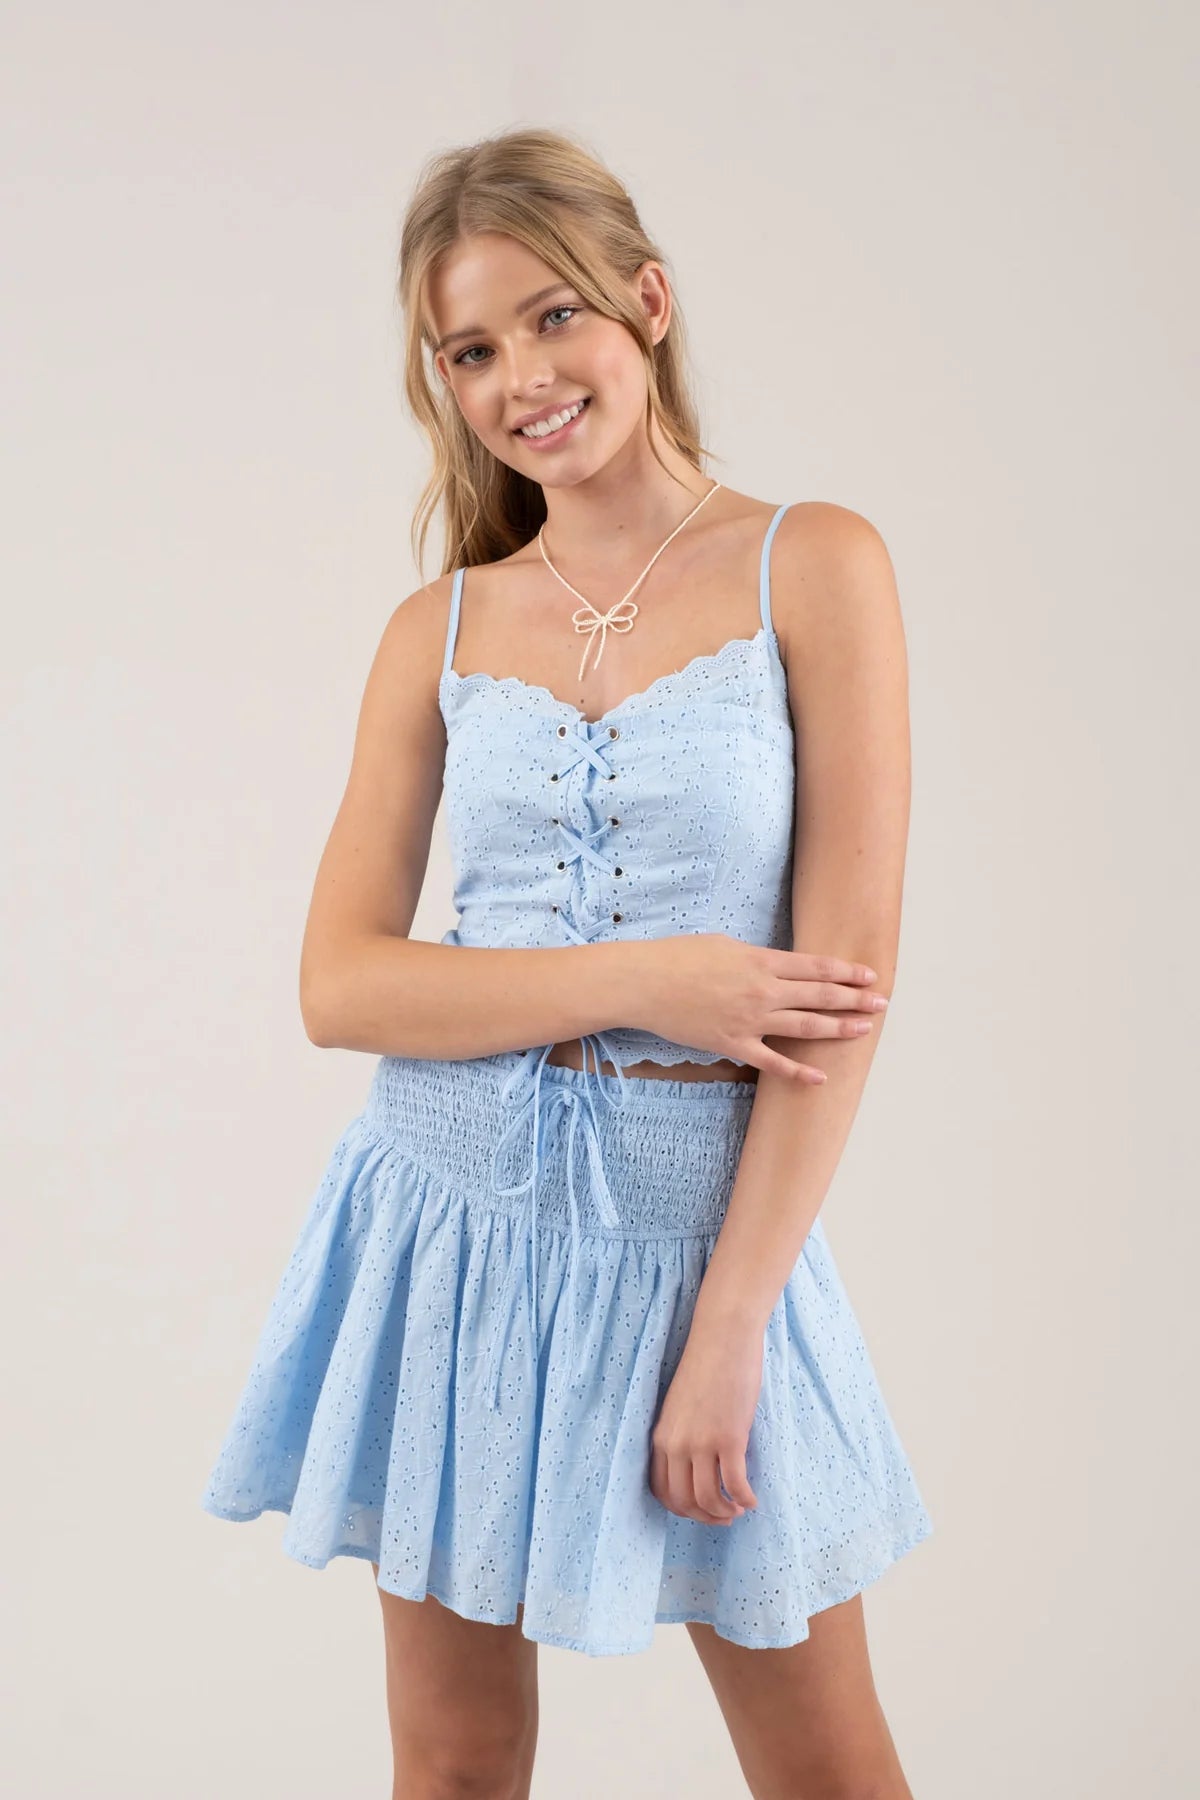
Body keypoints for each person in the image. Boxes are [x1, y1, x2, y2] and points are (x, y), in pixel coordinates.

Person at [200, 126, 934, 1799]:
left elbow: (846, 982)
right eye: (469, 350)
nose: (520, 379)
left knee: (827, 1771)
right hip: (443, 1219)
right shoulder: (440, 628)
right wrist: (647, 979)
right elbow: (340, 986)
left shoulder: (815, 564)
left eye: (553, 318)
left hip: (705, 1235)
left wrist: (732, 1323)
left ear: (647, 304)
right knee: (457, 1765)